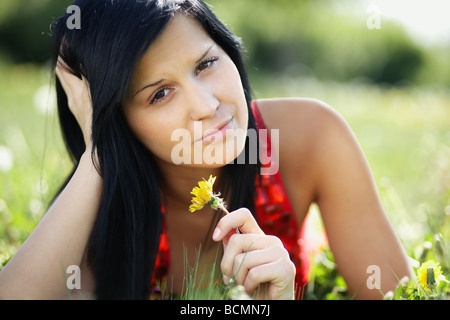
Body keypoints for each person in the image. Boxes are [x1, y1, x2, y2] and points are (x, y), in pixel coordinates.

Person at [0, 0, 411, 300]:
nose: (206, 105)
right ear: (117, 122)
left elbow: (397, 294)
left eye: (205, 65)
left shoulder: (309, 138)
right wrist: (97, 154)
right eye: (160, 93)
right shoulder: (98, 209)